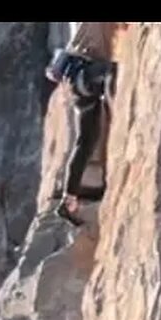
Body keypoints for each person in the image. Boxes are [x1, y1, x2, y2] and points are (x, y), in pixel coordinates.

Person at [45, 22, 118, 226]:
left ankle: (68, 201)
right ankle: (120, 113)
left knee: (86, 142)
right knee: (113, 71)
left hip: (76, 85)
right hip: (87, 73)